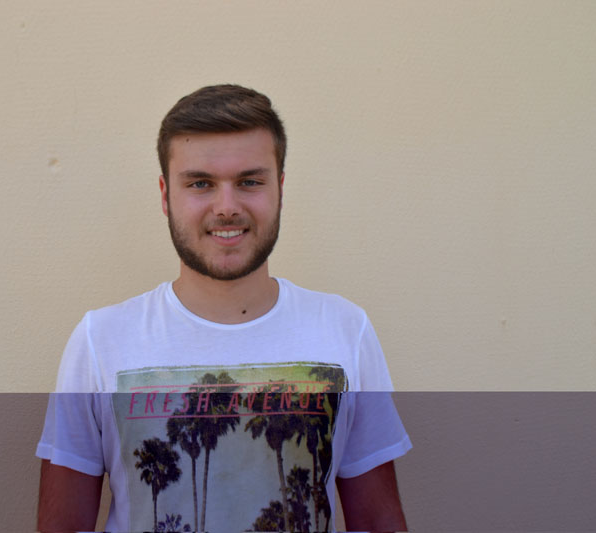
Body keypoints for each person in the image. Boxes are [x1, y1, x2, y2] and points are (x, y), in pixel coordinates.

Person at [36, 84, 412, 532]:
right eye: (201, 184)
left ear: (280, 189)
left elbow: (377, 520)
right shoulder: (100, 341)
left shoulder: (346, 330)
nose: (227, 207)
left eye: (249, 182)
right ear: (165, 195)